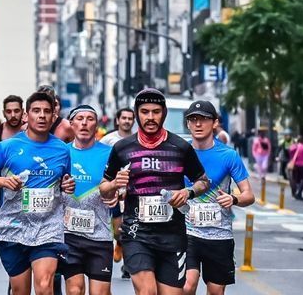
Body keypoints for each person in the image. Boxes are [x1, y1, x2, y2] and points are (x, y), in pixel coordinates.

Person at [100, 88, 210, 295]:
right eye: (144, 111)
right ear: (137, 114)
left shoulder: (180, 147)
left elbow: (203, 181)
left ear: (164, 113)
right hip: (136, 234)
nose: (150, 117)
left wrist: (188, 192)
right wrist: (114, 184)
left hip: (173, 235)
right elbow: (103, 189)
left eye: (156, 111)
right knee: (147, 291)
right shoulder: (122, 148)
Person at [0, 89, 76, 295]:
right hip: (14, 227)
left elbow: (64, 182)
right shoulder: (7, 146)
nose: (41, 115)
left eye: (46, 111)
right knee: (19, 291)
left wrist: (67, 186)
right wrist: (3, 181)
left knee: (44, 286)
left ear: (53, 116)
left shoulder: (62, 149)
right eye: (36, 111)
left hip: (48, 227)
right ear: (27, 115)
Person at [180, 101, 255, 295]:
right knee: (187, 286)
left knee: (216, 292)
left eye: (203, 119)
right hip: (187, 232)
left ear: (214, 123)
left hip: (219, 235)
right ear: (187, 124)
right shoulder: (181, 152)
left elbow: (249, 195)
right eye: (193, 119)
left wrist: (234, 199)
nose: (197, 124)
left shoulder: (229, 155)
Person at [61, 105, 116, 295]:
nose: (84, 123)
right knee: (75, 291)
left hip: (100, 236)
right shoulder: (61, 152)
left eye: (90, 119)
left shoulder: (110, 153)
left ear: (97, 124)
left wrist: (119, 193)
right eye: (79, 118)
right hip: (68, 235)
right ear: (71, 124)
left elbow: (122, 183)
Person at [99, 107, 135, 267]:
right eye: (124, 118)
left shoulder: (137, 139)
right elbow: (99, 160)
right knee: (118, 226)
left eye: (130, 118)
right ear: (117, 120)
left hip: (133, 189)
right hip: (114, 188)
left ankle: (129, 264)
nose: (127, 121)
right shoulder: (107, 140)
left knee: (132, 223)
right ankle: (119, 243)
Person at [0, 94, 25, 214]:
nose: (13, 115)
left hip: (30, 192)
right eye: (9, 111)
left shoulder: (31, 130)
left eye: (16, 111)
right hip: (3, 195)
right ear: (3, 113)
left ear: (23, 111)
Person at [288, 137, 303, 201]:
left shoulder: (294, 147)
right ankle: (299, 193)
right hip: (302, 165)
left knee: (297, 180)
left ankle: (295, 192)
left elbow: (290, 153)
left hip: (295, 165)